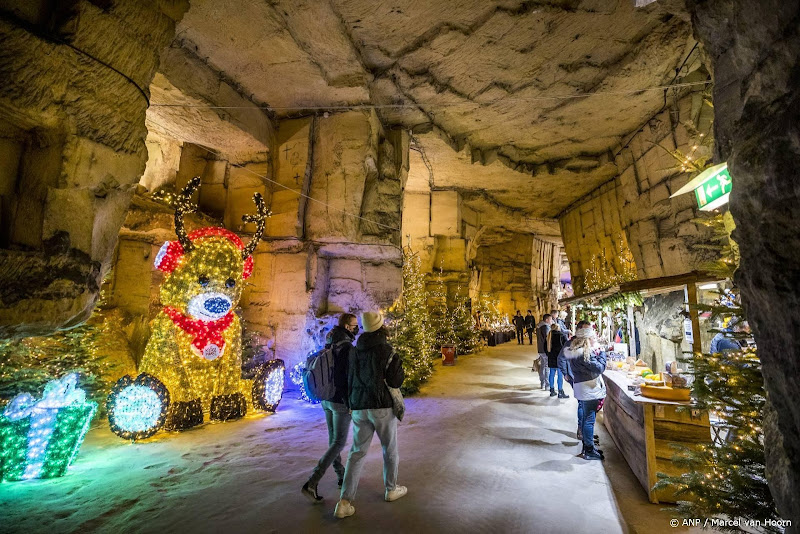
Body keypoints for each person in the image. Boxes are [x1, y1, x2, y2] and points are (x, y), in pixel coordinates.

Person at [335, 312, 406, 519]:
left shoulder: (355, 350)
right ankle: (391, 489)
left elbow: (348, 379)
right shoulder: (387, 350)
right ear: (381, 327)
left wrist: (351, 403)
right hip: (382, 406)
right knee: (389, 449)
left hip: (359, 407)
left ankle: (344, 501)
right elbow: (395, 381)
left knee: (356, 453)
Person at [302, 313, 358, 502]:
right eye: (354, 325)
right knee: (339, 442)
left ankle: (341, 474)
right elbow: (344, 378)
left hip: (326, 399)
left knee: (333, 441)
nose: (356, 328)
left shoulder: (330, 340)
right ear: (347, 327)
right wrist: (349, 402)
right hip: (339, 401)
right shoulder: (347, 348)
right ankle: (312, 481)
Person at [558, 323, 607, 461]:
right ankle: (589, 450)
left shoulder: (577, 351)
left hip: (583, 387)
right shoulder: (583, 355)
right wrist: (602, 353)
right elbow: (599, 368)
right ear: (587, 339)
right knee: (589, 420)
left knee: (586, 418)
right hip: (589, 389)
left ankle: (588, 446)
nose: (594, 340)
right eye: (592, 338)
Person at [546, 323, 569, 399]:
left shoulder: (548, 336)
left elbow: (545, 348)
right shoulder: (562, 335)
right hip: (560, 358)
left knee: (551, 374)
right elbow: (566, 346)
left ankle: (552, 390)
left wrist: (549, 355)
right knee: (560, 375)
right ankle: (560, 391)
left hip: (551, 358)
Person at [535, 314, 553, 389]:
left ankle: (542, 382)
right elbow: (548, 339)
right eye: (550, 319)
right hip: (545, 349)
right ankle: (547, 384)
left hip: (540, 348)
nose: (551, 321)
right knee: (546, 367)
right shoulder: (546, 327)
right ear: (546, 320)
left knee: (543, 366)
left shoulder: (539, 326)